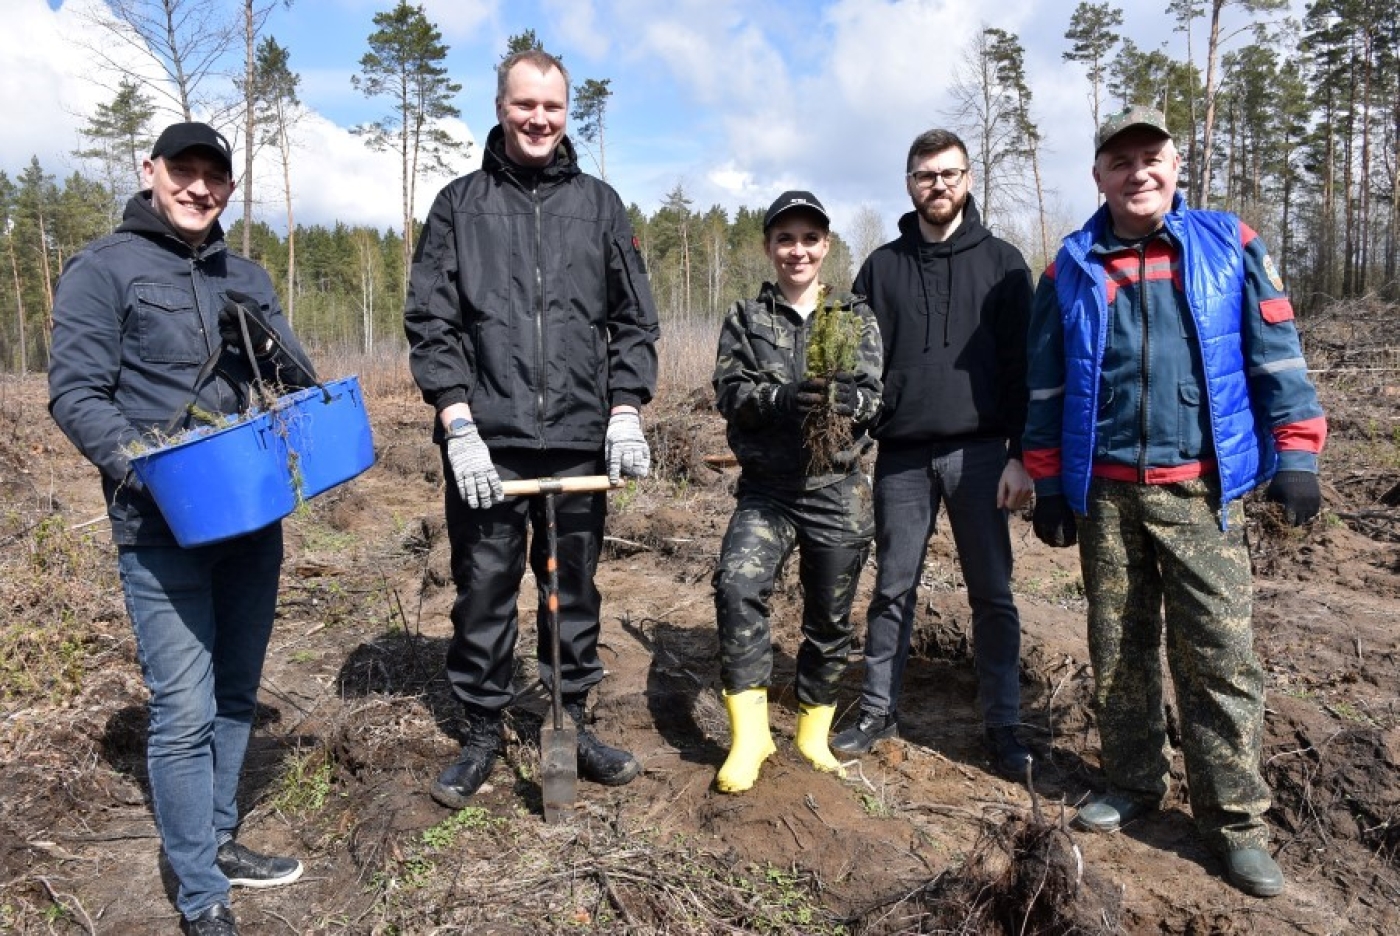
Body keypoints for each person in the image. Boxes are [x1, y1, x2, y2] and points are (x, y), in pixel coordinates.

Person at [1022, 105, 1326, 898]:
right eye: (1120, 162)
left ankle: (1236, 823)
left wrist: (1297, 454)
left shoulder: (1230, 245)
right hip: (1107, 497)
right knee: (1120, 652)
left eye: (1150, 158)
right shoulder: (1069, 266)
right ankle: (1132, 781)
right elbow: (1046, 387)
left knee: (1220, 659)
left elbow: (1277, 354)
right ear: (1099, 176)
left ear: (1175, 165)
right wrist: (1049, 482)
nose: (1138, 174)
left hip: (1200, 492)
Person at [49, 122, 316, 936]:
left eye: (214, 176)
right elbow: (75, 394)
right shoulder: (103, 269)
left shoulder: (247, 276)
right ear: (151, 171)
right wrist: (152, 472)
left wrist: (273, 351)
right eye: (183, 171)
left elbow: (292, 381)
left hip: (250, 520)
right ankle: (200, 892)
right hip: (159, 526)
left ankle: (219, 839)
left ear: (230, 187)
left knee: (235, 690)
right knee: (183, 707)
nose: (199, 188)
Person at [405, 49, 660, 810]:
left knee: (571, 587)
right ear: (500, 108)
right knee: (484, 588)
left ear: (566, 112)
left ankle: (569, 721)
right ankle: (482, 731)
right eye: (525, 104)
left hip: (580, 438)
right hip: (489, 442)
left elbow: (634, 320)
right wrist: (457, 422)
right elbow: (431, 322)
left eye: (551, 106)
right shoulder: (459, 205)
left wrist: (625, 409)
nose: (538, 119)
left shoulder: (601, 206)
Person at [832, 129, 1036, 782]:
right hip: (901, 457)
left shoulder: (1004, 265)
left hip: (982, 456)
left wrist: (1021, 455)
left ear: (968, 179)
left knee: (992, 594)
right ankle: (876, 712)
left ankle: (1003, 725)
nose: (938, 184)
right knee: (892, 589)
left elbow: (1027, 371)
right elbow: (851, 360)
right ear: (909, 184)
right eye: (926, 175)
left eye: (949, 173)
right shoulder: (881, 268)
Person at [710, 191, 883, 792]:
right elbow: (730, 392)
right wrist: (779, 397)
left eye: (810, 238)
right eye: (785, 239)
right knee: (737, 586)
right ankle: (750, 737)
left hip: (838, 488)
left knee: (829, 617)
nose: (798, 250)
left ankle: (813, 731)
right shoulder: (746, 317)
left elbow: (874, 397)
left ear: (826, 246)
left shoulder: (853, 316)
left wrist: (851, 401)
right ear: (769, 248)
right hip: (769, 490)